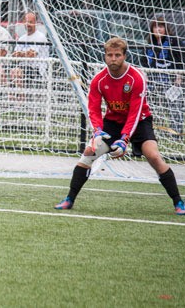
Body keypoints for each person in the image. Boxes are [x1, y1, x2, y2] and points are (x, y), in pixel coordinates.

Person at [54, 37, 185, 215]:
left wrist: (124, 139)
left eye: (117, 55)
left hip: (139, 121)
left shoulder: (136, 77)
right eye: (109, 55)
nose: (113, 59)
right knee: (88, 153)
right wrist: (98, 131)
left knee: (153, 156)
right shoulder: (99, 80)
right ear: (105, 56)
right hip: (113, 122)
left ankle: (178, 201)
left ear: (124, 56)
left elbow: (135, 112)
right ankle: (69, 199)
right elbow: (93, 109)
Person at [142, 15, 184, 137]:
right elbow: (143, 61)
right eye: (155, 27)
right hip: (154, 80)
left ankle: (175, 133)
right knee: (153, 106)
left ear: (165, 28)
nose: (158, 30)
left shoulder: (173, 41)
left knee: (174, 106)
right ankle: (155, 131)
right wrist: (145, 73)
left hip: (171, 80)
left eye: (160, 27)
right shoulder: (149, 42)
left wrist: (179, 76)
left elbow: (180, 59)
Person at [9, 12, 49, 99]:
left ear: (35, 23)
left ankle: (22, 99)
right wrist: (23, 54)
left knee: (16, 72)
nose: (28, 24)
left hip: (37, 69)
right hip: (23, 67)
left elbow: (32, 54)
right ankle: (14, 98)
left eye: (31, 22)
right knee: (12, 71)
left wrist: (21, 54)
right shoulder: (22, 38)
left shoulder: (40, 37)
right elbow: (14, 56)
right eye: (26, 22)